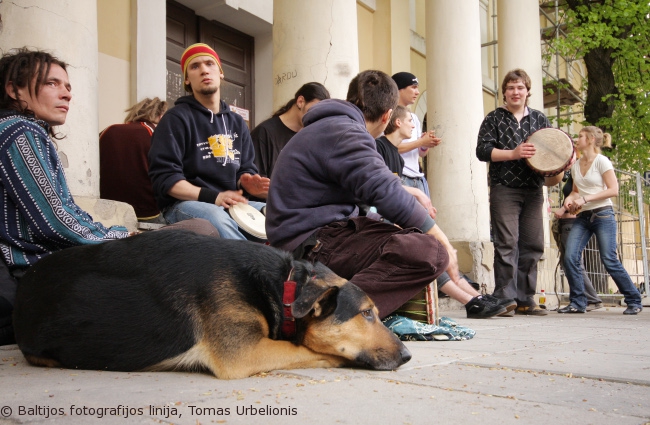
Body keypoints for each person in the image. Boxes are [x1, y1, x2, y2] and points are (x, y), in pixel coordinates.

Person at [267, 70, 506, 320]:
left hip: (315, 238)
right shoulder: (343, 131)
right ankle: (333, 316)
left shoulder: (331, 128)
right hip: (309, 244)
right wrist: (441, 239)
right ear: (387, 116)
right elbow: (383, 188)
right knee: (430, 250)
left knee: (410, 240)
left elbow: (373, 191)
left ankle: (343, 306)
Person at [0, 48, 129, 344]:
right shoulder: (19, 131)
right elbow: (54, 221)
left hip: (48, 270)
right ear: (14, 90)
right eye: (51, 83)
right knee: (197, 231)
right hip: (39, 274)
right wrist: (120, 236)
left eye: (68, 87)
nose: (67, 94)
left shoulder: (22, 132)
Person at [378, 106, 515, 316]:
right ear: (397, 123)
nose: (414, 125)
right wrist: (418, 193)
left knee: (435, 252)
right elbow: (382, 188)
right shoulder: (379, 147)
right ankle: (471, 302)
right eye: (410, 121)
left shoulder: (396, 154)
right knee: (426, 256)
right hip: (380, 224)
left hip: (393, 222)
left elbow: (395, 194)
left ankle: (477, 299)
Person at [148, 43, 270, 240]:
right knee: (217, 218)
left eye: (209, 63)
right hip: (184, 205)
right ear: (187, 79)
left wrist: (247, 181)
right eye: (195, 66)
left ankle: (290, 269)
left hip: (231, 202)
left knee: (278, 214)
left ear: (220, 72)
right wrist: (214, 197)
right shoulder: (175, 119)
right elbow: (165, 180)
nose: (204, 70)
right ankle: (250, 268)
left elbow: (244, 168)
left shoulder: (237, 123)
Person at [476, 69, 563, 316]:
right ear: (504, 92)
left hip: (534, 189)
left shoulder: (539, 118)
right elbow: (482, 151)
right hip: (505, 188)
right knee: (506, 243)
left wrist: (561, 164)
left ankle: (526, 298)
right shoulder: (494, 117)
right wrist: (513, 153)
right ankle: (505, 297)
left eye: (520, 87)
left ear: (527, 91)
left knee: (533, 244)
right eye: (511, 87)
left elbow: (552, 151)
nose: (516, 92)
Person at [559, 127, 643, 315]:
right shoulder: (576, 164)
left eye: (579, 136)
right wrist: (569, 201)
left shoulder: (602, 161)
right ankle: (578, 302)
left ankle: (634, 300)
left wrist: (585, 199)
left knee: (609, 259)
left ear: (589, 139)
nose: (576, 139)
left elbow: (613, 189)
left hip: (603, 215)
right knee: (570, 257)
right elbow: (576, 191)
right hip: (583, 217)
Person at [100, 97, 168, 223]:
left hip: (106, 212)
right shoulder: (155, 134)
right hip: (146, 214)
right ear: (160, 115)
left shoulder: (107, 131)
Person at [251, 82, 330, 178]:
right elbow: (257, 184)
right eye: (315, 110)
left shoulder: (312, 138)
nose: (317, 116)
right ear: (300, 101)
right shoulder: (264, 133)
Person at [553, 171, 603, 311]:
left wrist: (563, 209)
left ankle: (591, 299)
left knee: (573, 261)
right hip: (568, 222)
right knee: (569, 261)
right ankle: (586, 299)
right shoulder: (575, 172)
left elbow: (581, 194)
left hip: (572, 221)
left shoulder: (585, 172)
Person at [391, 72, 440, 197]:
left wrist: (425, 144)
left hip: (417, 178)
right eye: (413, 87)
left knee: (425, 216)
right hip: (400, 177)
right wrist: (420, 142)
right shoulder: (388, 115)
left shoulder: (414, 118)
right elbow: (390, 148)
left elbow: (420, 153)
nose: (417, 92)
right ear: (399, 89)